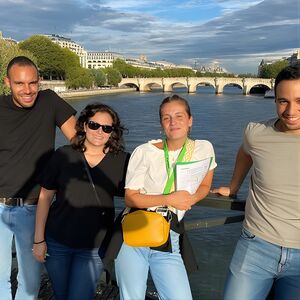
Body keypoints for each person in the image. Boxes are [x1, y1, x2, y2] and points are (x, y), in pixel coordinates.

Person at [114, 94, 217, 300]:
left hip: (169, 235)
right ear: (161, 124)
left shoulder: (204, 148)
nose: (173, 122)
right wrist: (170, 199)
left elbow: (205, 184)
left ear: (190, 120)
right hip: (134, 233)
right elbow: (131, 198)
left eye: (179, 116)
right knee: (131, 296)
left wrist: (193, 198)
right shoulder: (144, 151)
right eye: (166, 118)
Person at [212, 63, 300, 300]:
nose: (291, 110)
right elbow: (245, 152)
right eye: (283, 101)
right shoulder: (256, 132)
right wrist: (233, 186)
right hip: (256, 244)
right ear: (275, 100)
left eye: (299, 101)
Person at [32, 103, 130, 300]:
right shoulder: (64, 155)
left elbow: (140, 189)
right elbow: (45, 196)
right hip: (57, 241)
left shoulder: (122, 160)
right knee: (61, 294)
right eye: (94, 125)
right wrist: (39, 240)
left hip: (94, 246)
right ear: (84, 125)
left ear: (113, 132)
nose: (99, 131)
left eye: (107, 128)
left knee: (80, 296)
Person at [0, 56, 76, 300]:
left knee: (31, 284)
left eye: (33, 83)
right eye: (20, 84)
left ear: (39, 81)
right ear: (7, 83)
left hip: (33, 210)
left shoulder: (50, 101)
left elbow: (79, 143)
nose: (28, 90)